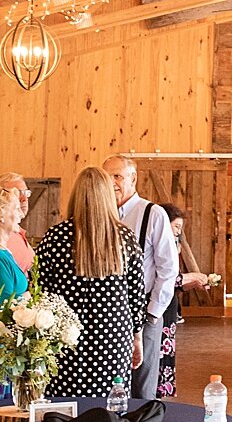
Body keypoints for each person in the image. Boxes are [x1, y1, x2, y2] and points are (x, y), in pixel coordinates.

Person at [35, 167, 146, 397]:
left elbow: (41, 291)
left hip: (65, 337)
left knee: (65, 402)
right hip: (113, 336)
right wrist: (137, 337)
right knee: (110, 404)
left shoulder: (56, 237)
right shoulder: (124, 238)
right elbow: (136, 296)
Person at [103, 154, 178, 399]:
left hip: (144, 309)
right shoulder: (102, 213)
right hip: (108, 309)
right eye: (107, 177)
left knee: (142, 379)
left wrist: (154, 312)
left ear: (133, 178)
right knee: (111, 375)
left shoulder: (152, 213)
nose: (112, 183)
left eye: (117, 176)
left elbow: (168, 267)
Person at [156, 202, 210, 399]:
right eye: (176, 227)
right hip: (156, 308)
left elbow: (175, 282)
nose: (179, 232)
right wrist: (192, 277)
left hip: (169, 308)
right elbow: (161, 278)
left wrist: (193, 283)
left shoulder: (171, 246)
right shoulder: (153, 245)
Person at [0, 173, 34, 273]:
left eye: (26, 193)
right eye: (17, 193)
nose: (24, 199)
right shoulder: (3, 234)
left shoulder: (17, 231)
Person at [0, 186, 28, 304]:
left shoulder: (6, 251)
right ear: (1, 215)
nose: (21, 214)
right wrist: (26, 297)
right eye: (16, 209)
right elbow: (4, 304)